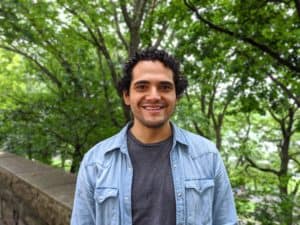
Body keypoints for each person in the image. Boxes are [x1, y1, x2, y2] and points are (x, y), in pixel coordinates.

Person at [71, 48, 238, 225]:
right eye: (142, 87)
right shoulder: (95, 162)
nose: (154, 96)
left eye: (164, 87)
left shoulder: (207, 155)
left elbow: (226, 220)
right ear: (127, 96)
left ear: (177, 96)